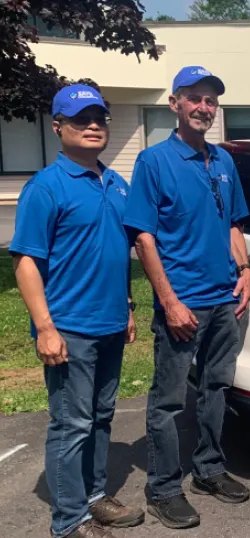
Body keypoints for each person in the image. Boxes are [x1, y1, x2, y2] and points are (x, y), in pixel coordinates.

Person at [123, 66, 250, 528]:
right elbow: (143, 238)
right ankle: (163, 488)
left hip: (225, 301)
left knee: (216, 389)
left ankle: (209, 468)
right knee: (169, 400)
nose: (203, 107)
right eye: (194, 98)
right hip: (183, 304)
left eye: (210, 100)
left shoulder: (223, 162)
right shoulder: (154, 162)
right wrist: (170, 302)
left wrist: (246, 270)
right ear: (175, 103)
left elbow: (234, 223)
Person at [10, 85, 143, 538]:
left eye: (99, 118)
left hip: (110, 324)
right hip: (69, 327)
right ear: (57, 126)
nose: (93, 126)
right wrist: (45, 327)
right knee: (72, 424)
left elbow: (119, 253)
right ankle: (68, 521)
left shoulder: (117, 184)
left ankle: (93, 496)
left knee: (101, 417)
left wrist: (127, 305)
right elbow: (26, 262)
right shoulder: (45, 187)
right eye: (81, 118)